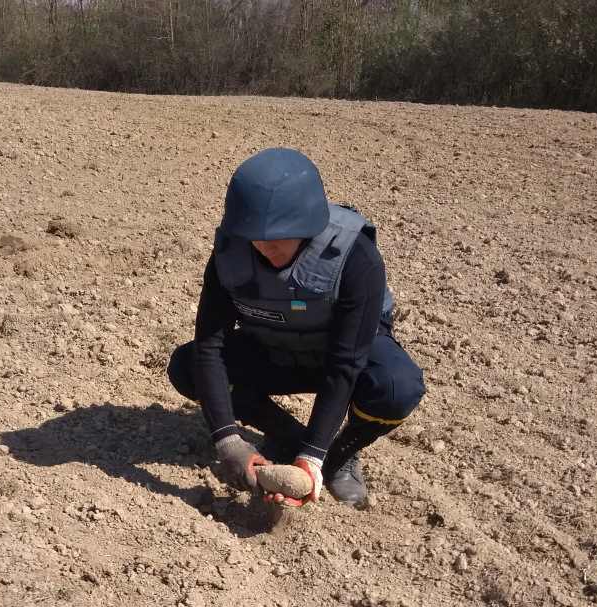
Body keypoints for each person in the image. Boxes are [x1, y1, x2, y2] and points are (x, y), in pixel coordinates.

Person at [167, 147, 426, 507]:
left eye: (276, 239)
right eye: (254, 237)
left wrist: (314, 457)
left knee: (396, 388)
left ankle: (337, 457)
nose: (263, 247)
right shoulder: (230, 253)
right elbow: (210, 346)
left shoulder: (356, 259)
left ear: (307, 226)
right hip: (273, 349)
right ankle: (288, 437)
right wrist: (227, 440)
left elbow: (345, 364)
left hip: (337, 356)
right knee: (187, 366)